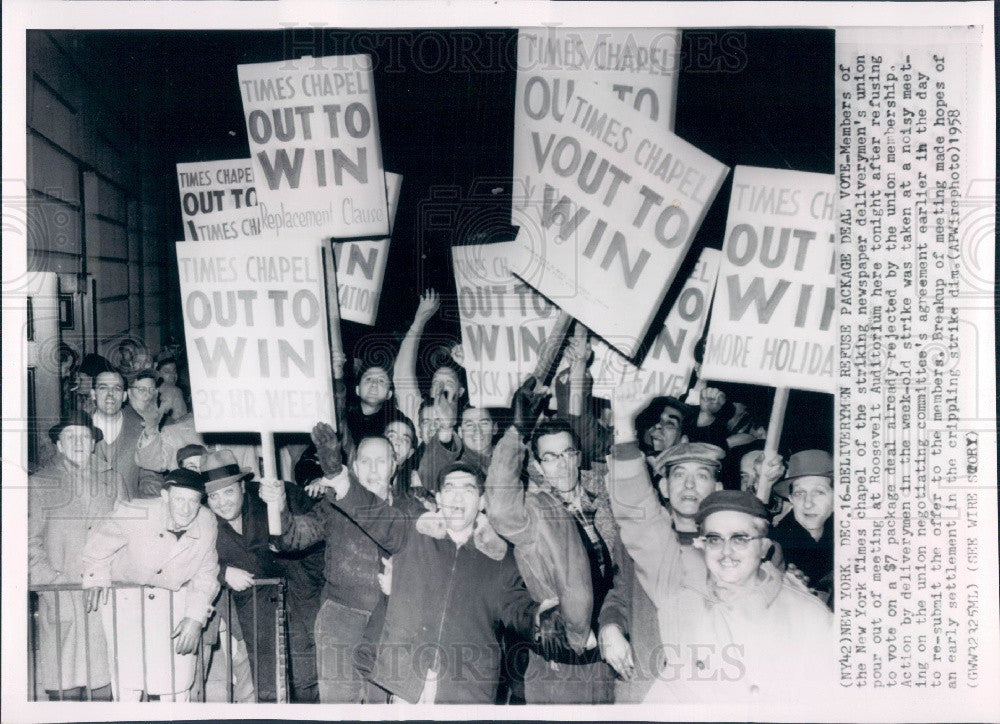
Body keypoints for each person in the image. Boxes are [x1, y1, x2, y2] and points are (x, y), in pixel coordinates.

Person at [260, 456, 554, 704]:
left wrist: (543, 619)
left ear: (482, 500)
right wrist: (342, 481)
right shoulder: (413, 534)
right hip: (409, 682)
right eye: (449, 489)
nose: (457, 497)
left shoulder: (500, 558)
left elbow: (519, 610)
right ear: (438, 498)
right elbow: (374, 514)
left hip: (467, 687)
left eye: (467, 490)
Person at [606, 383, 833, 702]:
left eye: (739, 539)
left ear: (764, 548)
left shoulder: (803, 610)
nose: (726, 552)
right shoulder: (672, 579)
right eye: (713, 540)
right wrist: (624, 424)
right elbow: (635, 512)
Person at [267, 427, 422, 703]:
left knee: (383, 709)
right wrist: (279, 508)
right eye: (365, 461)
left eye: (381, 461)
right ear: (355, 467)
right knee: (340, 709)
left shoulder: (411, 509)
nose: (373, 469)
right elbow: (293, 537)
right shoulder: (333, 505)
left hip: (393, 621)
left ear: (394, 465)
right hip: (340, 619)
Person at [485, 417, 620, 704]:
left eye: (568, 453)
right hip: (559, 662)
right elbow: (499, 509)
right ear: (537, 465)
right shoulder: (533, 511)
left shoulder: (609, 498)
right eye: (550, 457)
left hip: (611, 655)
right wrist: (515, 434)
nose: (562, 464)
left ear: (579, 456)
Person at [81, 468, 219, 701]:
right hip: (128, 605)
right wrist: (96, 576)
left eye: (193, 501)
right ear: (165, 497)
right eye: (179, 499)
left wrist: (195, 617)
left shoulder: (207, 522)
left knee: (175, 684)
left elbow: (206, 573)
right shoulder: (135, 512)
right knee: (128, 683)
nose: (186, 509)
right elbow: (97, 547)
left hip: (173, 608)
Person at [203, 449, 321, 702]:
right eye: (214, 496)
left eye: (228, 492)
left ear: (242, 487)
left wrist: (282, 508)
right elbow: (187, 559)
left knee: (305, 681)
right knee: (267, 686)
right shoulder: (204, 522)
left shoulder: (275, 497)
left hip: (298, 599)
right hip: (256, 613)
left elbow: (317, 534)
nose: (222, 502)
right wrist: (223, 572)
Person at [29, 411, 119, 700]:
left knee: (104, 688)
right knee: (65, 689)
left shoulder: (114, 480)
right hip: (61, 595)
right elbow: (28, 542)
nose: (79, 442)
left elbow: (127, 533)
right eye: (70, 436)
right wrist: (52, 583)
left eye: (85, 436)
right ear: (59, 445)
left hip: (103, 597)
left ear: (94, 443)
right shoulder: (40, 483)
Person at [769, 449, 835, 606]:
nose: (808, 503)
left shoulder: (850, 536)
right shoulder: (775, 545)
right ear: (791, 499)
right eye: (800, 494)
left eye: (818, 492)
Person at [89, 365, 158, 501]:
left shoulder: (142, 428)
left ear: (125, 395)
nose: (110, 395)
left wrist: (142, 508)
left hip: (130, 515)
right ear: (93, 394)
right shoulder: (77, 429)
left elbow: (151, 477)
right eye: (103, 388)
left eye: (117, 389)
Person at [154, 357, 188, 423]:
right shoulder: (174, 391)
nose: (172, 375)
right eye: (167, 372)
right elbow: (183, 423)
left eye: (174, 371)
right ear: (157, 374)